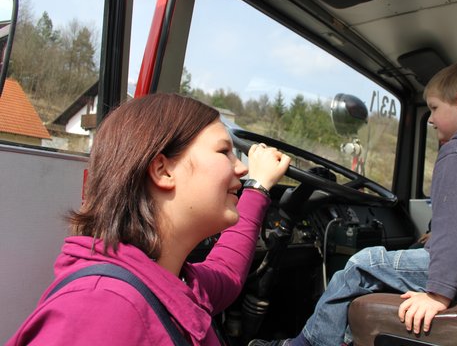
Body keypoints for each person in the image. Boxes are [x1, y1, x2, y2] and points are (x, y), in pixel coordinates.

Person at [250, 61, 457, 346]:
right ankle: (345, 339)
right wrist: (436, 235)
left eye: (433, 108)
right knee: (396, 261)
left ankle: (307, 343)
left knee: (362, 264)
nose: (430, 120)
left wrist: (437, 295)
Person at [7, 93, 290, 345]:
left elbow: (226, 270)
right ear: (162, 170)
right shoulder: (101, 312)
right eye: (223, 152)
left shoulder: (171, 280)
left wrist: (258, 188)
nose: (241, 167)